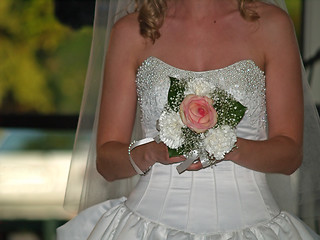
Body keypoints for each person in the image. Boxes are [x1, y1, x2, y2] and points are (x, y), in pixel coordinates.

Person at [57, 0, 320, 239]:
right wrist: (153, 152)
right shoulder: (132, 30)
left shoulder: (271, 25)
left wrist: (227, 146)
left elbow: (289, 154)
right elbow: (106, 161)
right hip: (146, 224)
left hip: (253, 221)